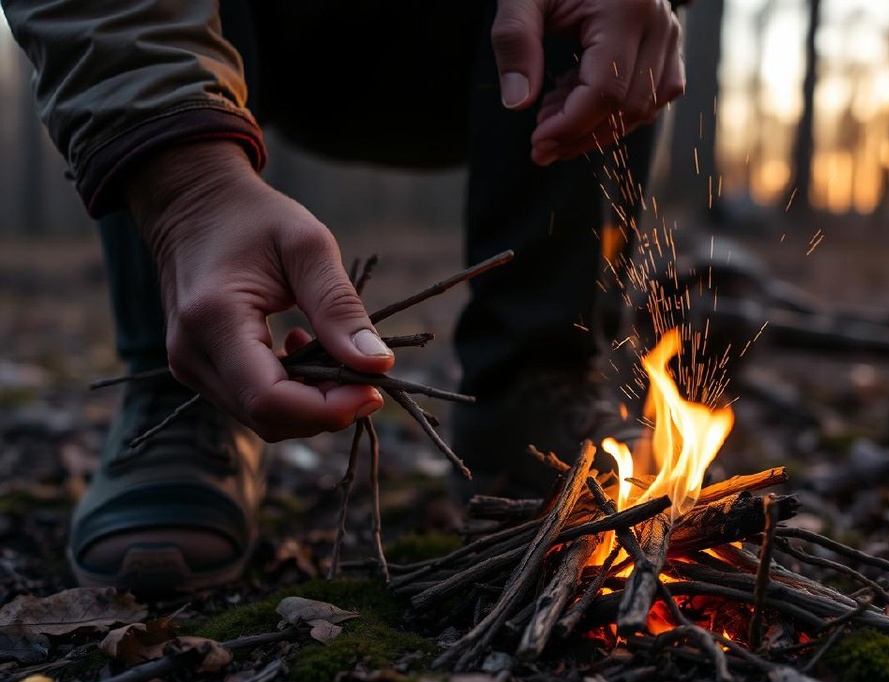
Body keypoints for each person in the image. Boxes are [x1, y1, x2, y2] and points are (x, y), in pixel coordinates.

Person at [2, 0, 686, 594]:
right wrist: (187, 184)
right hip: (249, 29)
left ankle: (539, 383)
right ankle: (186, 376)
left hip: (510, 45)